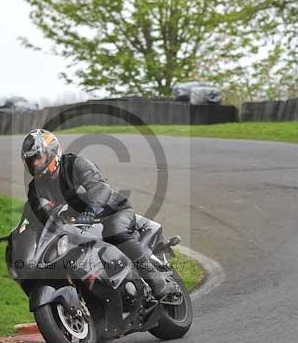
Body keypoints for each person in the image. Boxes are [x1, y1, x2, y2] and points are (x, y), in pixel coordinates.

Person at [21, 128, 180, 300]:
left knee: (115, 232)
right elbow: (35, 212)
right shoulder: (36, 187)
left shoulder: (76, 164)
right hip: (78, 225)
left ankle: (157, 282)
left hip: (112, 212)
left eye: (38, 158)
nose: (35, 164)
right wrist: (22, 233)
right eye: (30, 161)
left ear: (52, 152)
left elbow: (100, 189)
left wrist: (91, 211)